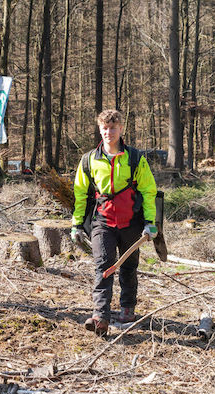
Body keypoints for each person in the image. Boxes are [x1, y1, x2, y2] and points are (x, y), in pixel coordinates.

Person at [70, 109, 157, 336]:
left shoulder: (135, 158)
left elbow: (148, 191)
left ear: (121, 129)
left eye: (113, 128)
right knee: (104, 265)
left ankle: (127, 309)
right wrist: (77, 224)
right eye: (105, 128)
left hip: (131, 222)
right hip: (103, 222)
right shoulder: (89, 160)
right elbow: (80, 193)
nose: (109, 132)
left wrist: (150, 222)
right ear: (100, 130)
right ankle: (100, 316)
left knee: (128, 267)